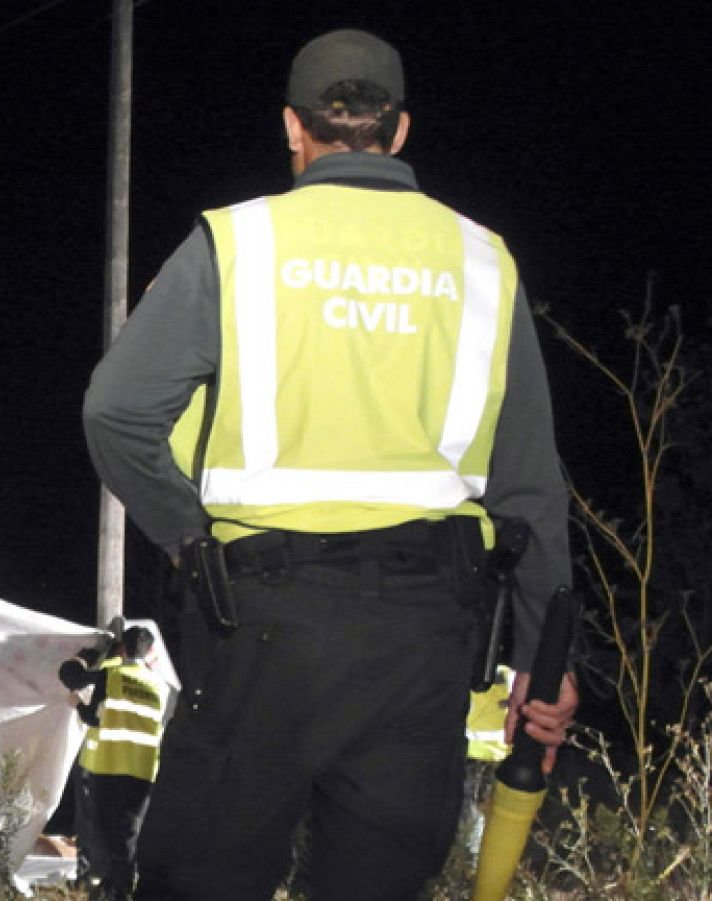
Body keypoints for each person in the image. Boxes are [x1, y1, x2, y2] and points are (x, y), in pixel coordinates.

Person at [81, 28, 581, 899]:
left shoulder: (236, 244)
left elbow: (116, 413)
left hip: (259, 628)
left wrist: (187, 541)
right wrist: (546, 659)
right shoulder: (481, 261)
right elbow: (530, 483)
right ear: (400, 130)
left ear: (292, 128)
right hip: (425, 640)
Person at [59, 624, 170, 900]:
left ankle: (102, 887)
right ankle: (122, 888)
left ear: (121, 649)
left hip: (108, 766)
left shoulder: (113, 674)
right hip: (144, 770)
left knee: (101, 830)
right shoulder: (161, 685)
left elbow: (71, 679)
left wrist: (88, 654)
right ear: (151, 653)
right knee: (129, 833)